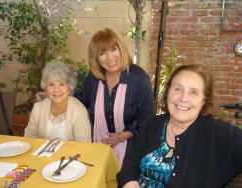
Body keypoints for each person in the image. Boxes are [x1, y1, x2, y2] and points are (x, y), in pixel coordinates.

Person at [37, 28, 155, 165]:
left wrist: (123, 136)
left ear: (121, 50)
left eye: (113, 49)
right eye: (102, 53)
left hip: (131, 147)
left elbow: (148, 117)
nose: (110, 58)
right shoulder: (94, 78)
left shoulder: (139, 78)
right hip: (99, 146)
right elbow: (83, 100)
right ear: (96, 58)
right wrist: (52, 94)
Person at [116, 64, 242, 187]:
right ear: (168, 93)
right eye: (178, 89)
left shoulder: (215, 132)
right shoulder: (154, 124)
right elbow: (129, 168)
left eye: (193, 92)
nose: (184, 98)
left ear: (203, 101)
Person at [25, 60, 92, 142]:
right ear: (46, 88)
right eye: (51, 84)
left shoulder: (79, 111)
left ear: (69, 88)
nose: (56, 90)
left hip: (71, 155)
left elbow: (84, 146)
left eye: (62, 84)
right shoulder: (38, 108)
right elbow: (29, 139)